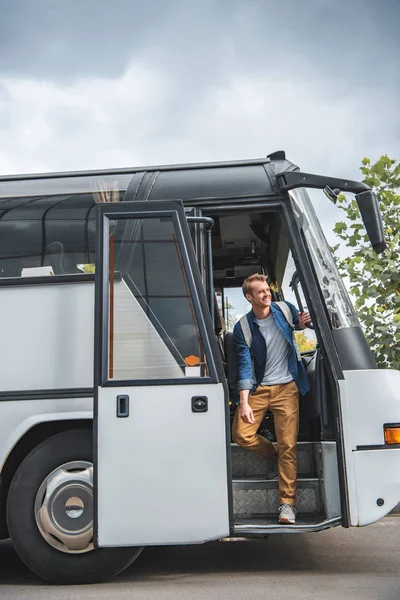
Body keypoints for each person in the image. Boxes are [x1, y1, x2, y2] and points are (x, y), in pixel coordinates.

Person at [232, 273, 311, 524]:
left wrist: (304, 323)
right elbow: (245, 366)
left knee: (290, 445)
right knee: (242, 435)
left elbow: (298, 324)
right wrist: (244, 401)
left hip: (288, 387)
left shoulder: (285, 309)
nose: (267, 294)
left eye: (267, 290)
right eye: (261, 291)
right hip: (260, 389)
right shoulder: (242, 328)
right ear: (249, 297)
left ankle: (287, 505)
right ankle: (276, 456)